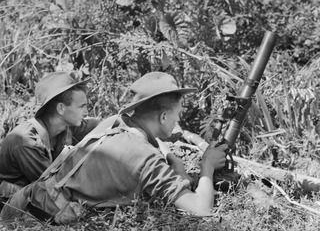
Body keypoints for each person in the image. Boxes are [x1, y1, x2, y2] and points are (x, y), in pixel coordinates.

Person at [0, 72, 227, 224]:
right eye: (178, 114)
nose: (178, 120)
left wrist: (173, 159)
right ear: (164, 116)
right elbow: (200, 210)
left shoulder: (115, 122)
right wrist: (206, 167)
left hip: (24, 202)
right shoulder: (143, 156)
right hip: (28, 218)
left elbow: (150, 146)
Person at [0, 71, 100, 209]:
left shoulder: (67, 126)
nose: (87, 111)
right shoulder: (25, 142)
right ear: (61, 108)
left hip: (39, 196)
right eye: (81, 106)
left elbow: (102, 124)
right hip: (12, 205)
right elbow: (54, 185)